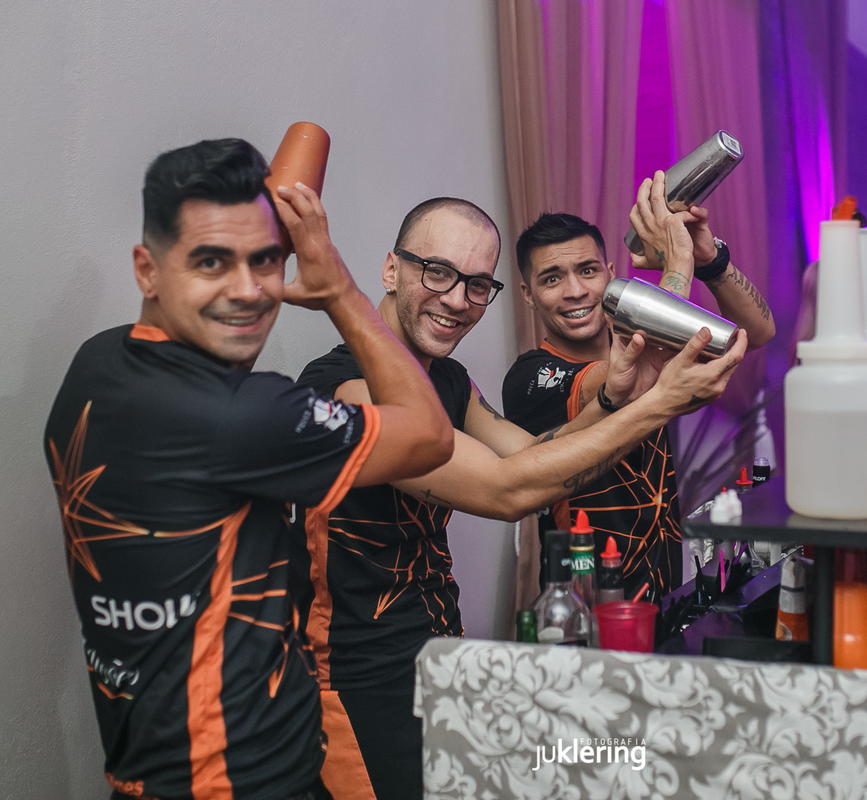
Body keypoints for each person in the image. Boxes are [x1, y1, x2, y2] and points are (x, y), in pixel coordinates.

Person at [293, 182, 746, 799]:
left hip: (439, 653)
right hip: (358, 677)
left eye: (478, 285)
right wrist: (657, 404)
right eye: (437, 273)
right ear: (392, 269)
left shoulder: (448, 380)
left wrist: (615, 399)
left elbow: (530, 455)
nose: (458, 300)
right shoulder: (346, 388)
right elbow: (507, 492)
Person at [42, 139, 455, 800]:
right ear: (147, 270)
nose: (247, 291)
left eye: (264, 260)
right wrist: (339, 289)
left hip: (143, 772)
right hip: (247, 780)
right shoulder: (241, 417)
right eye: (211, 261)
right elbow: (430, 435)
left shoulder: (98, 364)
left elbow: (220, 334)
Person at [502, 171, 775, 603]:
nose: (575, 291)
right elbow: (620, 380)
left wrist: (710, 259)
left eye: (588, 270)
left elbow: (756, 333)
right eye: (551, 279)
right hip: (584, 607)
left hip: (663, 597)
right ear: (528, 294)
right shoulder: (530, 377)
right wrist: (678, 258)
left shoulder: (652, 343)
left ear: (611, 274)